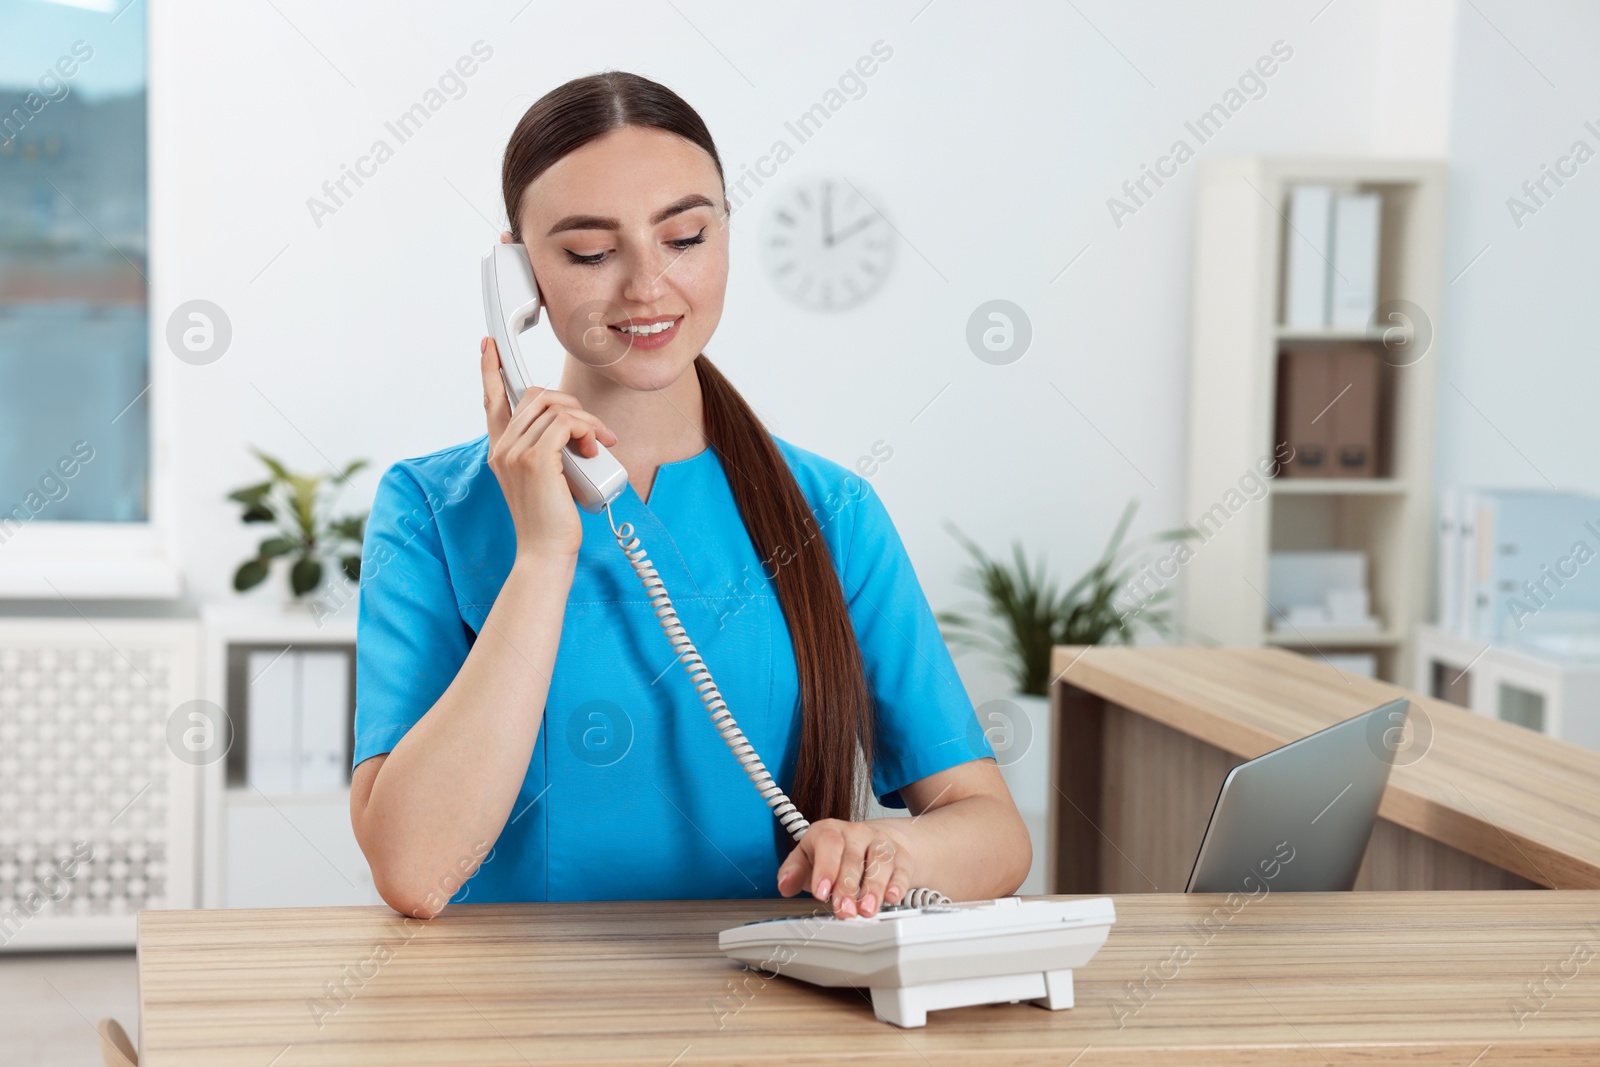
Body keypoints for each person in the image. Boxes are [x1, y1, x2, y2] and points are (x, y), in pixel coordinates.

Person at [349, 70, 1031, 922]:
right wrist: (543, 555)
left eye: (684, 238)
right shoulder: (428, 510)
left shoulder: (832, 511)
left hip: (763, 1015)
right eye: (591, 253)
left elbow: (995, 835)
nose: (646, 286)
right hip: (505, 1022)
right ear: (518, 279)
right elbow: (413, 870)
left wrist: (886, 851)